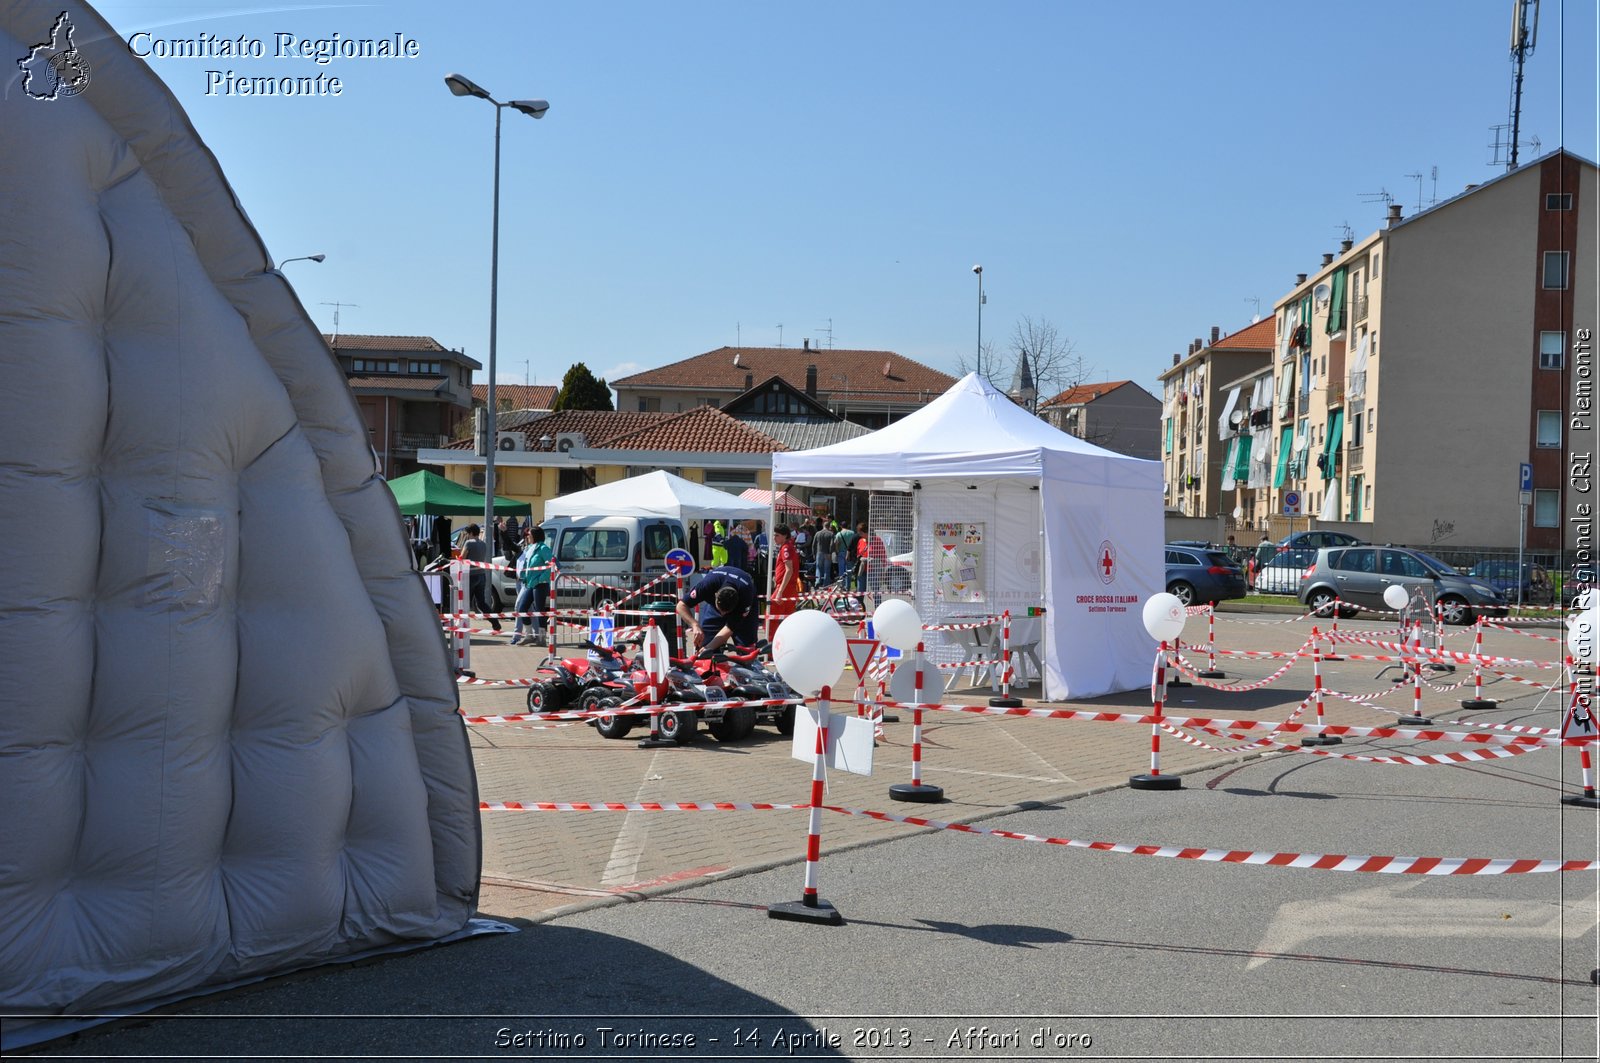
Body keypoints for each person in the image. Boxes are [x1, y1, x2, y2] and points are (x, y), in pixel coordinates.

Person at [676, 564, 758, 653]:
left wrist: (709, 647)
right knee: (706, 649)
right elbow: (681, 606)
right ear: (715, 596)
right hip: (715, 604)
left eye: (726, 612)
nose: (723, 615)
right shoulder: (707, 585)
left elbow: (729, 628)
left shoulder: (745, 596)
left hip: (744, 606)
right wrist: (694, 625)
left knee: (746, 649)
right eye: (721, 611)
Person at [511, 525, 552, 646]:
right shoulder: (529, 548)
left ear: (535, 535)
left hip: (540, 584)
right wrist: (523, 575)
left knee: (539, 610)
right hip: (529, 583)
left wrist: (540, 578)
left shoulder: (544, 548)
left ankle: (542, 638)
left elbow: (551, 566)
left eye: (529, 534)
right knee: (522, 608)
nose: (527, 536)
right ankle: (529, 635)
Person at [460, 523, 502, 632]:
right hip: (481, 575)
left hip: (470, 575)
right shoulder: (483, 544)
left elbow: (462, 558)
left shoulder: (468, 543)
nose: (467, 536)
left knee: (465, 602)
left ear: (470, 533)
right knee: (481, 603)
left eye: (468, 533)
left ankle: (462, 624)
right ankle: (495, 623)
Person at [768, 524, 801, 638]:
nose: (774, 538)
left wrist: (780, 590)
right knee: (788, 620)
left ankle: (770, 650)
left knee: (771, 618)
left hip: (784, 587)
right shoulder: (787, 547)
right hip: (788, 587)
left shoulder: (786, 548)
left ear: (785, 536)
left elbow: (789, 570)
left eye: (777, 535)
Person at [834, 521, 858, 589]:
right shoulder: (852, 533)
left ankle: (842, 585)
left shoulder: (839, 534)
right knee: (849, 570)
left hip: (841, 552)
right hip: (850, 553)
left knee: (841, 569)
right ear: (847, 526)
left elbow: (836, 543)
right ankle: (848, 586)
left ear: (841, 526)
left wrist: (837, 551)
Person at [812, 519, 835, 588]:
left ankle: (818, 581)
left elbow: (813, 544)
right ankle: (826, 584)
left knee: (818, 568)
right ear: (829, 526)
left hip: (819, 552)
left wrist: (814, 554)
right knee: (827, 569)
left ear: (823, 525)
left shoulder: (818, 533)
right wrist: (830, 553)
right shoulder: (831, 534)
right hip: (827, 553)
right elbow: (832, 545)